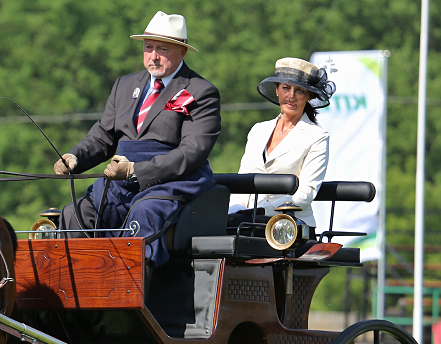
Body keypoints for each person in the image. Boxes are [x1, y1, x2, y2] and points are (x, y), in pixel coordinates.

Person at [54, 11, 221, 269]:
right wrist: (75, 156)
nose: (153, 55)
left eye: (162, 49)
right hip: (118, 183)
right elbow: (104, 135)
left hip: (168, 182)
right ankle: (73, 295)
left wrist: (136, 171)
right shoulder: (124, 84)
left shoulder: (201, 91)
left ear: (182, 52)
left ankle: (130, 299)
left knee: (144, 214)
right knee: (75, 213)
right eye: (149, 47)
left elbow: (193, 151)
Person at [228, 58, 335, 232]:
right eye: (286, 88)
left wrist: (261, 211)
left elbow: (306, 193)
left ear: (309, 96)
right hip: (247, 221)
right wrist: (235, 210)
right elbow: (243, 180)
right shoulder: (258, 130)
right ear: (277, 90)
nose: (291, 96)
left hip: (290, 225)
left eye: (299, 91)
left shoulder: (317, 136)